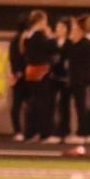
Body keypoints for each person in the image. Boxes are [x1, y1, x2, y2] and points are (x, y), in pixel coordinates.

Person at [19, 10, 58, 142]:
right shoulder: (38, 36)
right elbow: (53, 48)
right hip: (41, 72)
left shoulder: (27, 36)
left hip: (31, 72)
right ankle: (44, 133)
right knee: (44, 103)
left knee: (33, 103)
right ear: (41, 21)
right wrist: (51, 36)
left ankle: (31, 132)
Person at [61, 13, 90, 143]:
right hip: (74, 78)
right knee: (77, 106)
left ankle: (83, 133)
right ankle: (80, 132)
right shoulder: (73, 43)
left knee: (81, 106)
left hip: (81, 79)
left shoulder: (86, 44)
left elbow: (88, 64)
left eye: (75, 26)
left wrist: (85, 78)